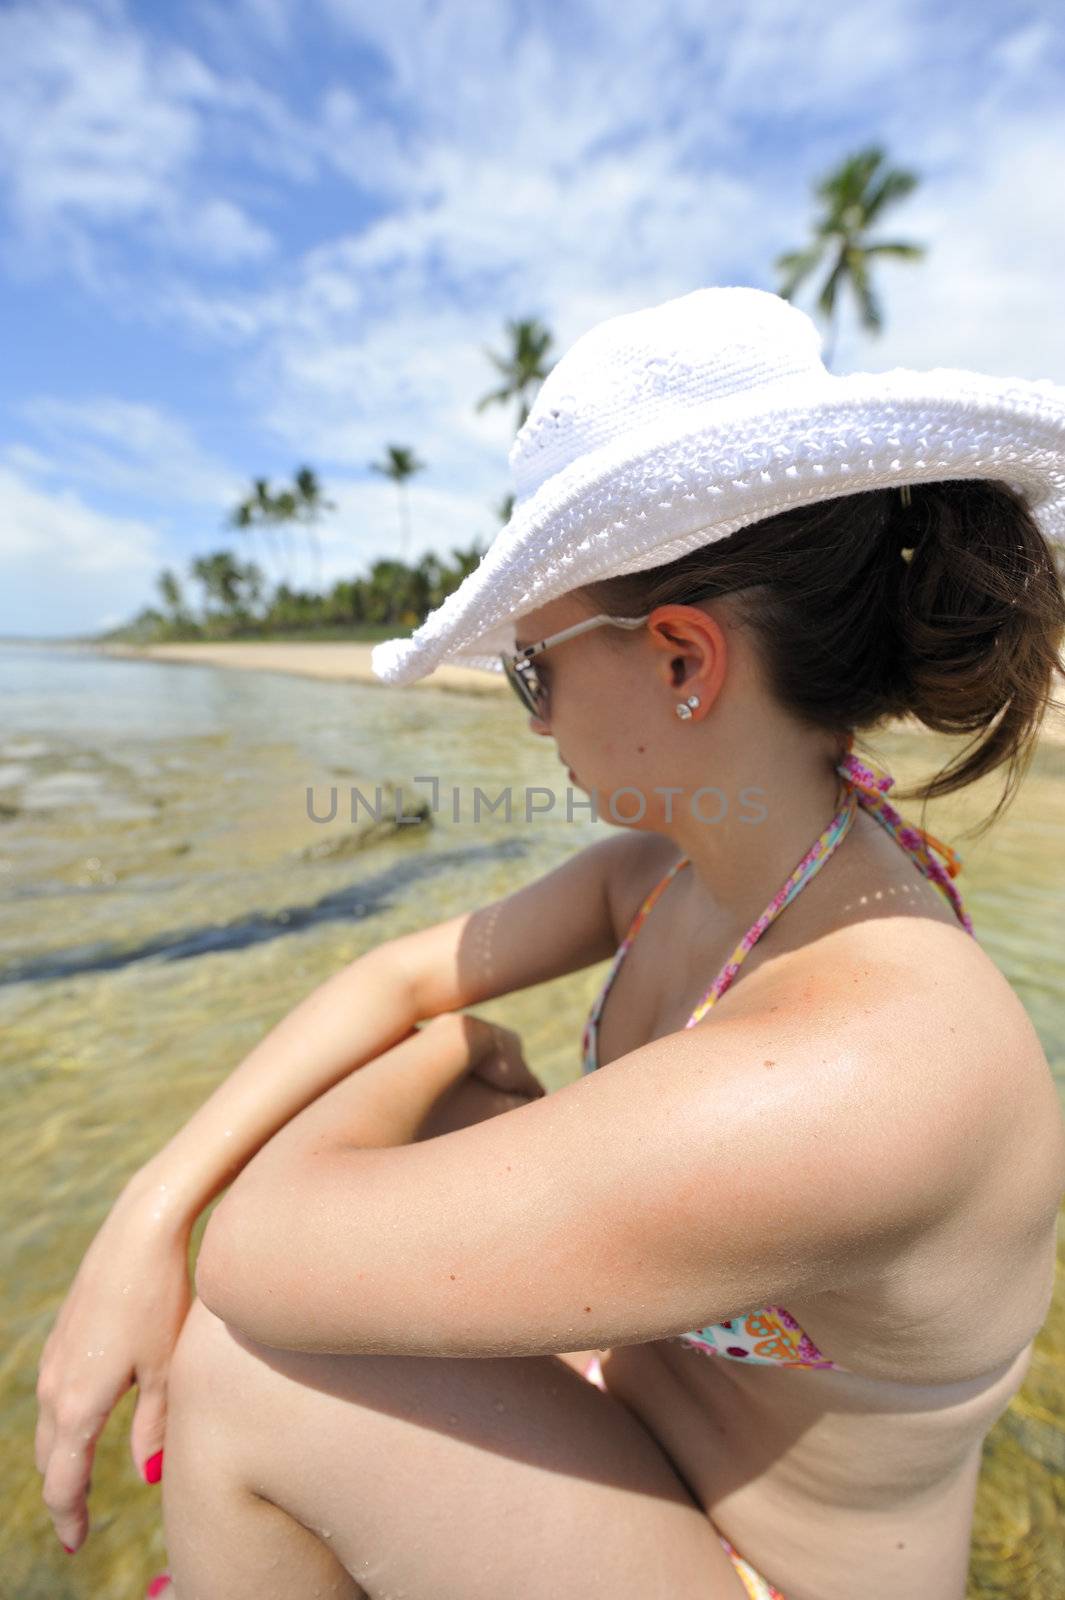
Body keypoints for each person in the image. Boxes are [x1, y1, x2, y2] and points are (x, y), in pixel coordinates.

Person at [37, 286, 1065, 1600]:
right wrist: (147, 1207)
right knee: (454, 1100)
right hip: (653, 1456)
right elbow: (397, 969)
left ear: (684, 662)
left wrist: (446, 1046)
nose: (532, 725)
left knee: (250, 1370)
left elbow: (256, 1256)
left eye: (533, 671)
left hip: (767, 1575)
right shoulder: (690, 876)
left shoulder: (862, 1064)